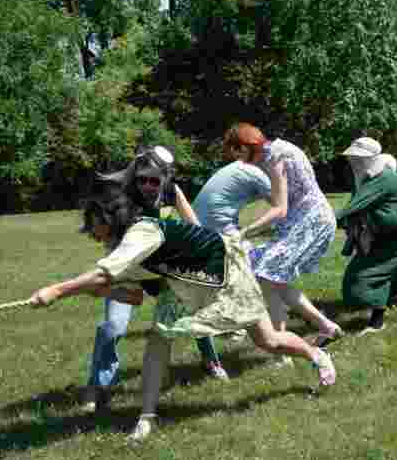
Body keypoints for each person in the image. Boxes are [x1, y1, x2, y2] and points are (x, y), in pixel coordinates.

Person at [29, 179, 337, 441]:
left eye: (93, 222)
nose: (90, 231)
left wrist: (57, 290)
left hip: (223, 272)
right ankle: (147, 417)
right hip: (181, 285)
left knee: (267, 340)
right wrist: (103, 291)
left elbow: (102, 274)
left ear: (109, 217)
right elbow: (133, 296)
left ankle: (316, 355)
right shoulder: (122, 246)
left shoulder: (142, 231)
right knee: (158, 339)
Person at [81, 146, 228, 413]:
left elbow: (194, 226)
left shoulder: (171, 191)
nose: (148, 185)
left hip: (163, 266)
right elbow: (108, 235)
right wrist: (111, 272)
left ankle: (210, 360)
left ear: (166, 176)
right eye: (143, 179)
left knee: (194, 311)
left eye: (154, 180)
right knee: (113, 326)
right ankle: (97, 387)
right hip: (128, 265)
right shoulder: (123, 193)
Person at [223, 124, 342, 347]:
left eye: (237, 152)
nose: (238, 160)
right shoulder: (279, 149)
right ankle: (319, 329)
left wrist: (245, 232)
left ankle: (288, 340)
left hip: (311, 222)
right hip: (306, 220)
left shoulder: (274, 157)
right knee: (267, 275)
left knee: (265, 275)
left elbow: (280, 209)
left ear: (246, 146)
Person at [334, 138, 397, 334]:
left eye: (357, 157)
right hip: (394, 228)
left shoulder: (384, 178)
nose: (353, 161)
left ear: (371, 158)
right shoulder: (365, 178)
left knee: (371, 272)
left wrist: (326, 222)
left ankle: (381, 318)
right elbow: (356, 205)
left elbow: (354, 207)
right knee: (380, 269)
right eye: (352, 157)